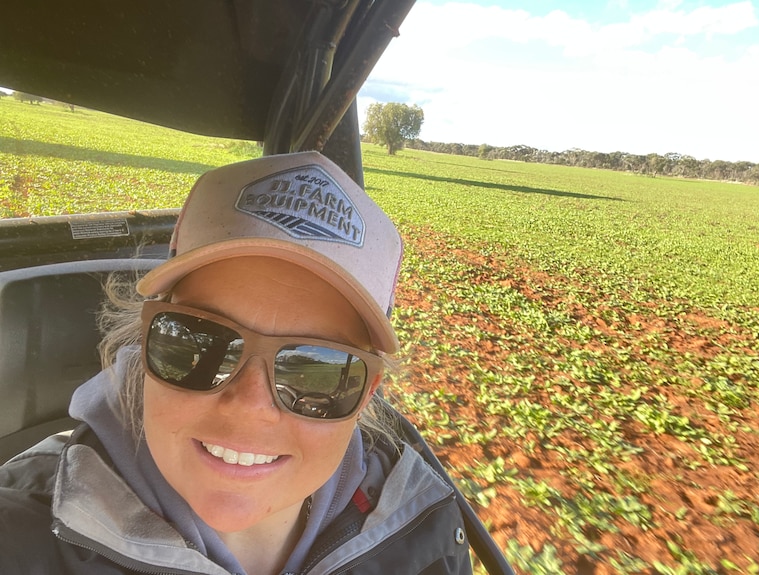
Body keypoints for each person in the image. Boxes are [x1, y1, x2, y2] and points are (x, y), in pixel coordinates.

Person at [0, 152, 472, 574]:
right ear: (144, 346)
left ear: (365, 395)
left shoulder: (422, 528)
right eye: (199, 342)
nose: (250, 406)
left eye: (318, 369)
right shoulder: (18, 537)